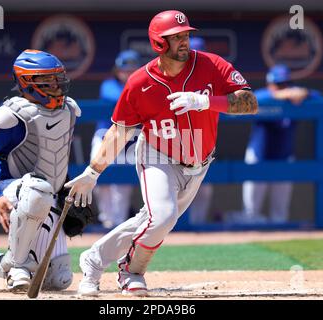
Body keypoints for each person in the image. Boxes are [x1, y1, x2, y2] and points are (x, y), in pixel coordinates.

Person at [66, 10, 258, 296]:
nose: (184, 41)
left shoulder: (211, 65)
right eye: (176, 37)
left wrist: (205, 101)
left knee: (152, 221)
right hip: (158, 154)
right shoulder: (139, 82)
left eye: (186, 35)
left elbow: (250, 102)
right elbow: (120, 131)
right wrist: (93, 172)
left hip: (199, 159)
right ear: (159, 43)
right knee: (164, 216)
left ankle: (93, 259)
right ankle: (131, 271)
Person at [0, 49, 84, 292]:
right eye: (48, 79)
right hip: (10, 192)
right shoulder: (11, 115)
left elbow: (54, 159)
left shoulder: (69, 109)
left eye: (58, 77)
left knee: (59, 280)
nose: (57, 84)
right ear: (27, 82)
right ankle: (17, 266)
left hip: (48, 201)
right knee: (38, 188)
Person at [241, 64, 322, 224]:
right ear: (270, 84)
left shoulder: (295, 97)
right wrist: (281, 94)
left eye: (285, 84)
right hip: (259, 156)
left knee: (280, 213)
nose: (283, 88)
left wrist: (304, 93)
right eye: (278, 85)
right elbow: (255, 98)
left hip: (284, 157)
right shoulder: (265, 96)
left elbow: (319, 97)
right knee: (251, 214)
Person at [92, 50, 141, 228]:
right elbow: (117, 97)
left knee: (122, 185)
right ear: (117, 70)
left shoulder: (143, 85)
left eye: (132, 69)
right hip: (105, 136)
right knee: (98, 179)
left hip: (129, 139)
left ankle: (118, 223)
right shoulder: (108, 85)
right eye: (124, 69)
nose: (127, 73)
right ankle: (107, 220)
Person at [187, 36, 214, 225]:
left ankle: (198, 226)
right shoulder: (177, 73)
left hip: (203, 138)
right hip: (176, 138)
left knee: (204, 189)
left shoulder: (212, 73)